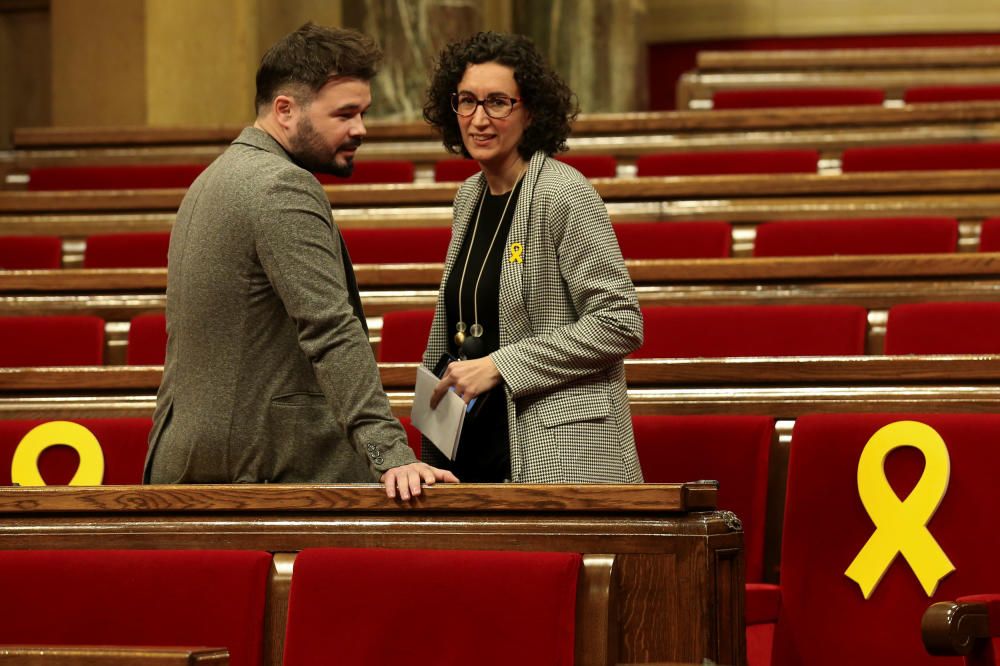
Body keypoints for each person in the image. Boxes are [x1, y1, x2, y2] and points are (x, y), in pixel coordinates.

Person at [144, 23, 457, 498]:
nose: (361, 129)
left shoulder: (211, 179)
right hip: (268, 467)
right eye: (345, 114)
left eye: (363, 112)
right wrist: (391, 454)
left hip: (194, 456)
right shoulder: (281, 185)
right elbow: (330, 329)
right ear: (285, 110)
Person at [420, 32, 644, 483]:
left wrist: (502, 366)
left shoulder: (564, 193)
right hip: (471, 445)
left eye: (497, 102)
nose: (479, 119)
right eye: (467, 101)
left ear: (531, 111)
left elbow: (620, 322)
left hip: (556, 452)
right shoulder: (469, 196)